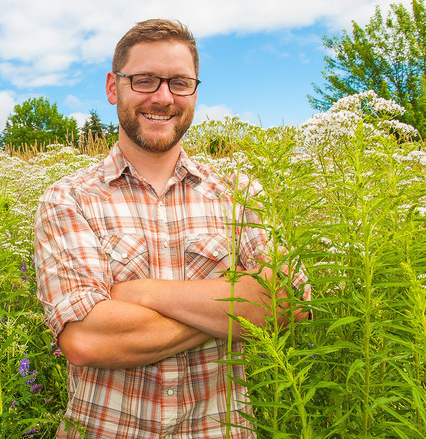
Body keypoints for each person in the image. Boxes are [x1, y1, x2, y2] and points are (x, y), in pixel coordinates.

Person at [34, 19, 309, 438]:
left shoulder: (238, 193)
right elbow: (86, 339)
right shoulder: (69, 199)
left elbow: (289, 301)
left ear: (195, 91)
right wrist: (238, 308)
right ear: (113, 87)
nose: (163, 97)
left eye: (180, 83)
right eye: (144, 80)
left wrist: (142, 293)